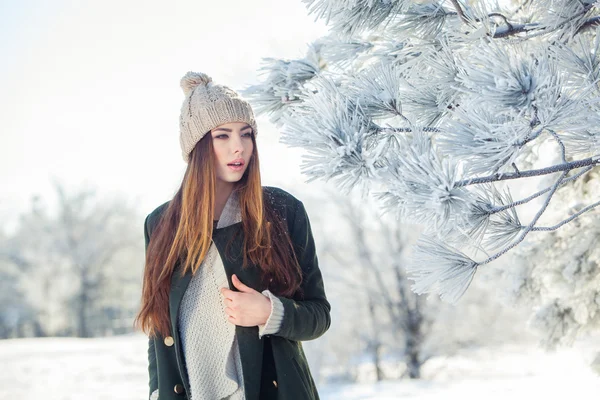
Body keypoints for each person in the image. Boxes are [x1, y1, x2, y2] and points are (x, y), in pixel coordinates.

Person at [134, 71, 331, 400]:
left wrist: (270, 312)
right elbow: (158, 326)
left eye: (246, 134)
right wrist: (157, 389)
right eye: (222, 136)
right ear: (197, 146)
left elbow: (318, 315)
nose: (238, 147)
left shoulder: (283, 211)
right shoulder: (160, 225)